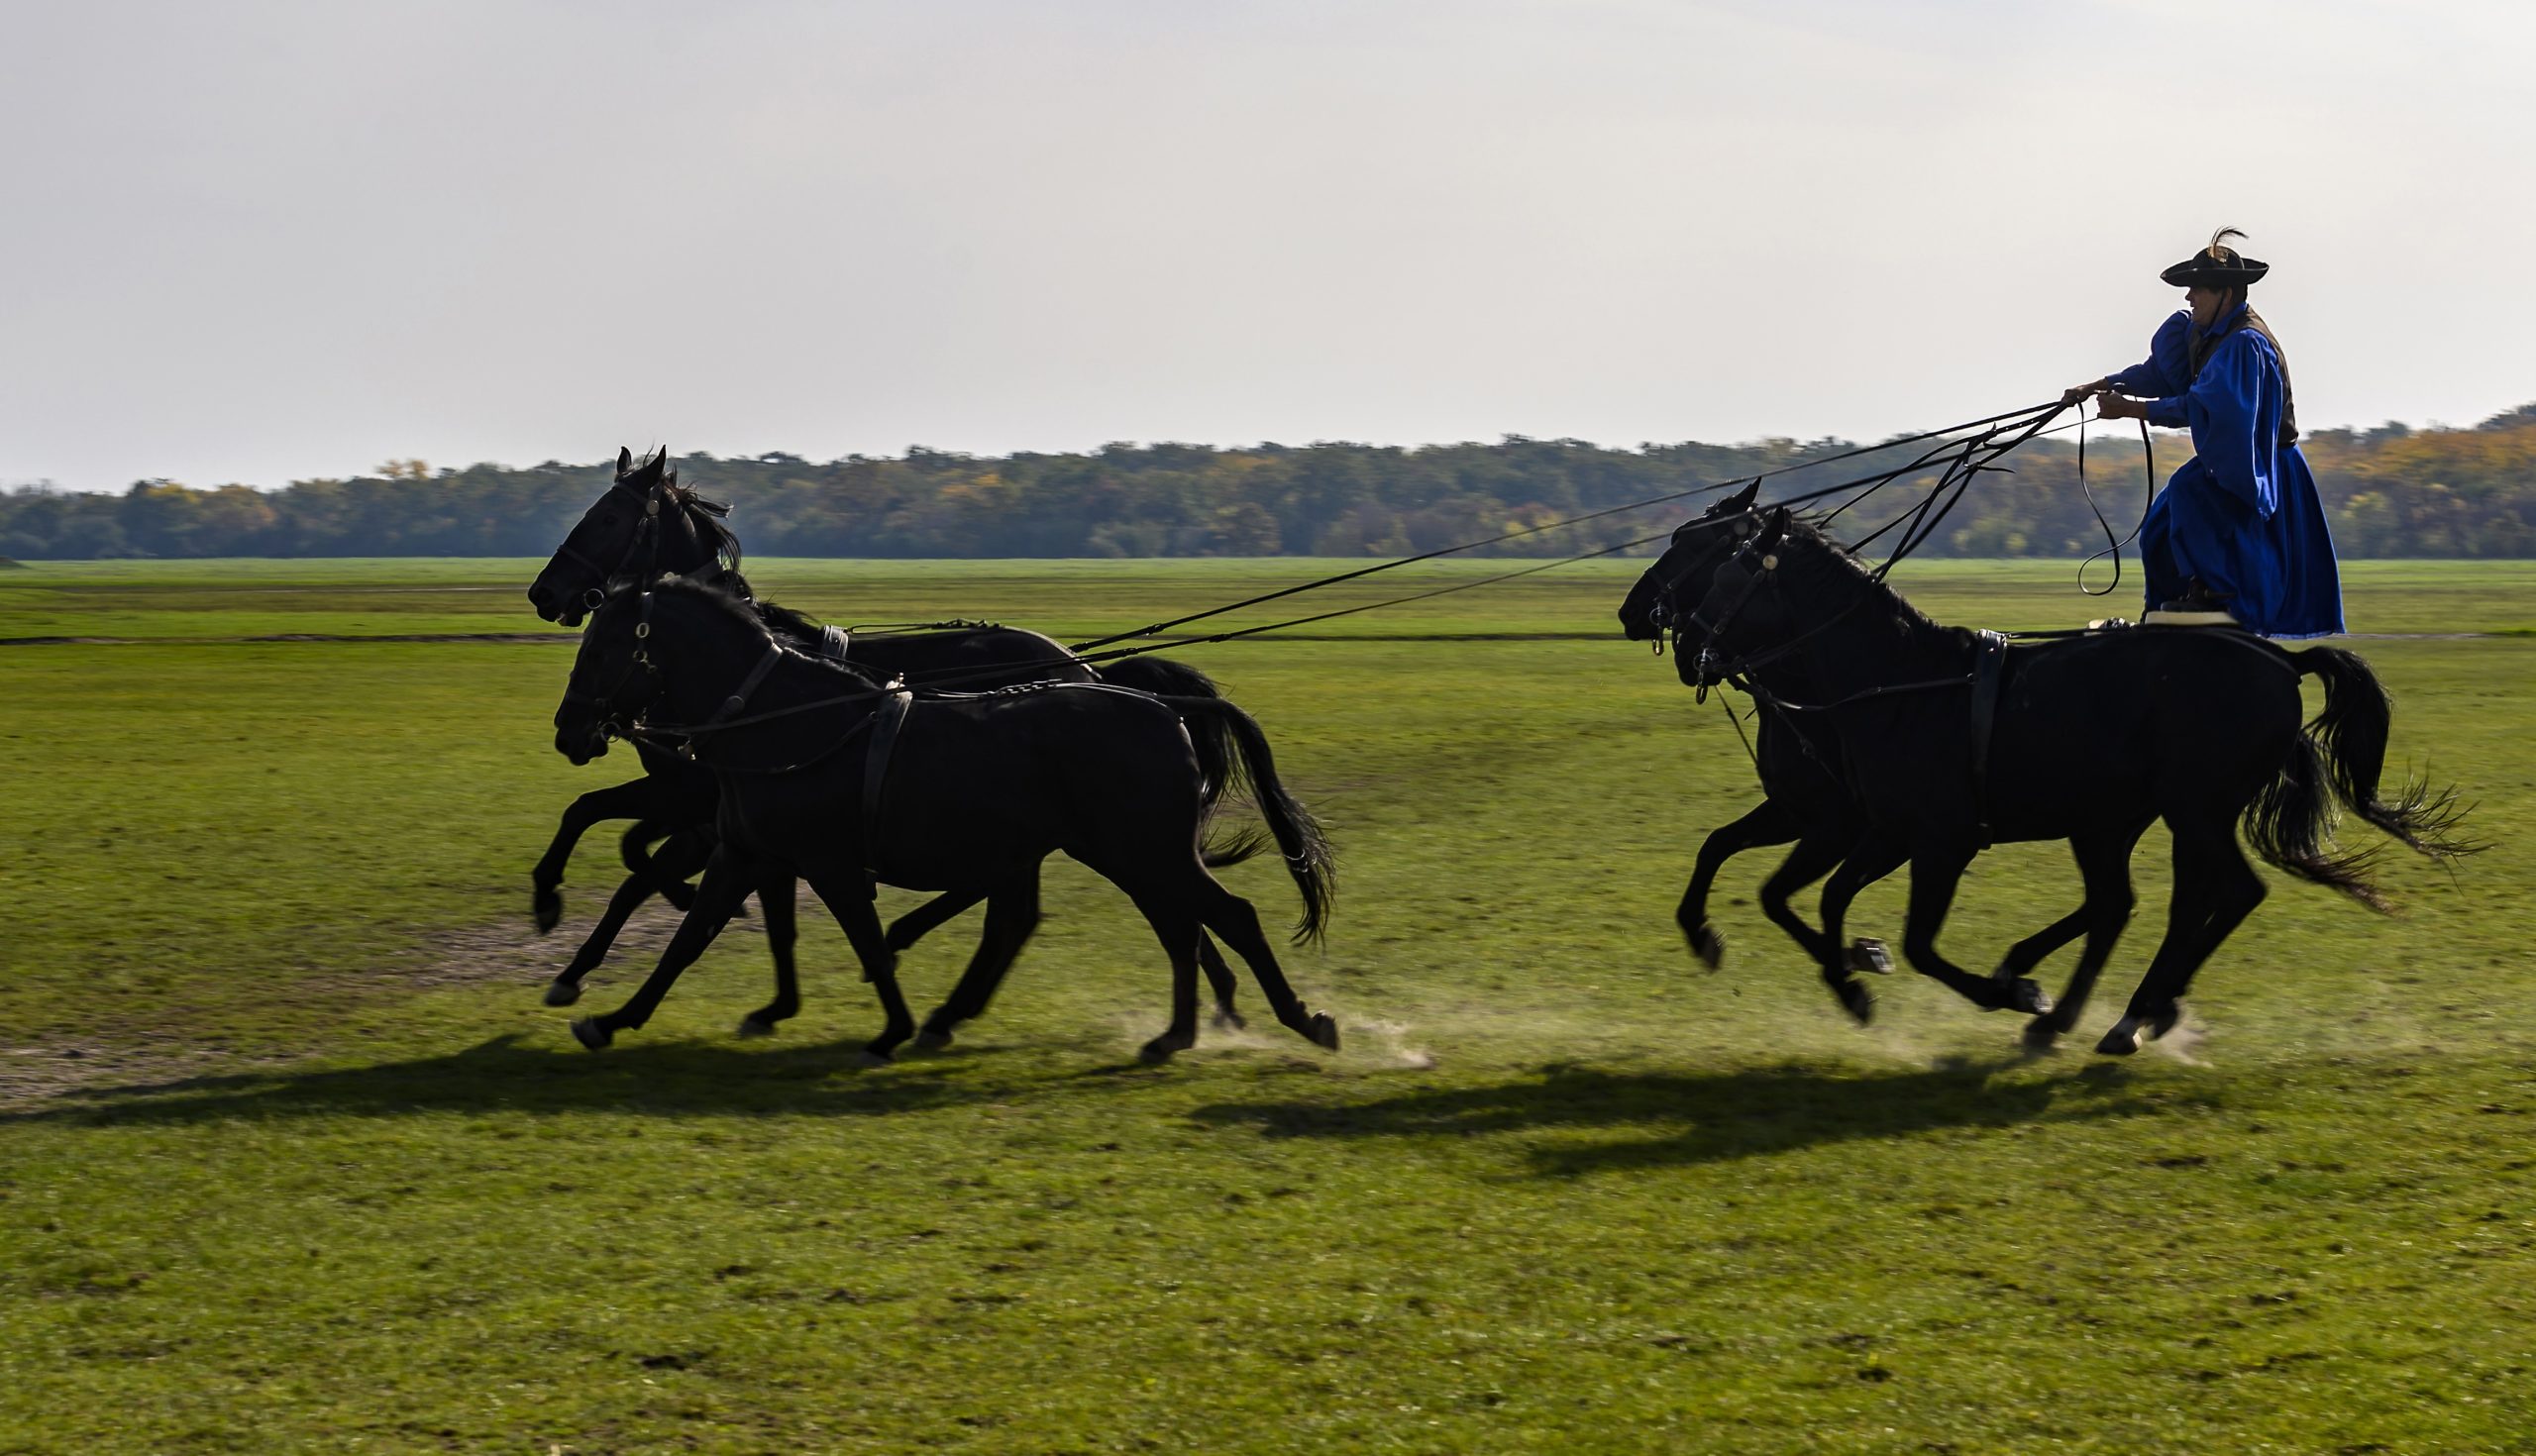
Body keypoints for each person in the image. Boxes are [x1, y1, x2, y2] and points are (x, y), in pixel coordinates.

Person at [2063, 229, 2343, 637]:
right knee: (2161, 522)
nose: (2189, 298)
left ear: (2226, 295)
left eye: (2197, 290)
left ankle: (2215, 595)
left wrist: (2131, 411)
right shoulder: (2202, 333)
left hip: (2260, 463)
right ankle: (2163, 609)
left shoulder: (2245, 344)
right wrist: (2099, 385)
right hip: (2229, 456)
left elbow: (2209, 408)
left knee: (2188, 494)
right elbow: (2160, 375)